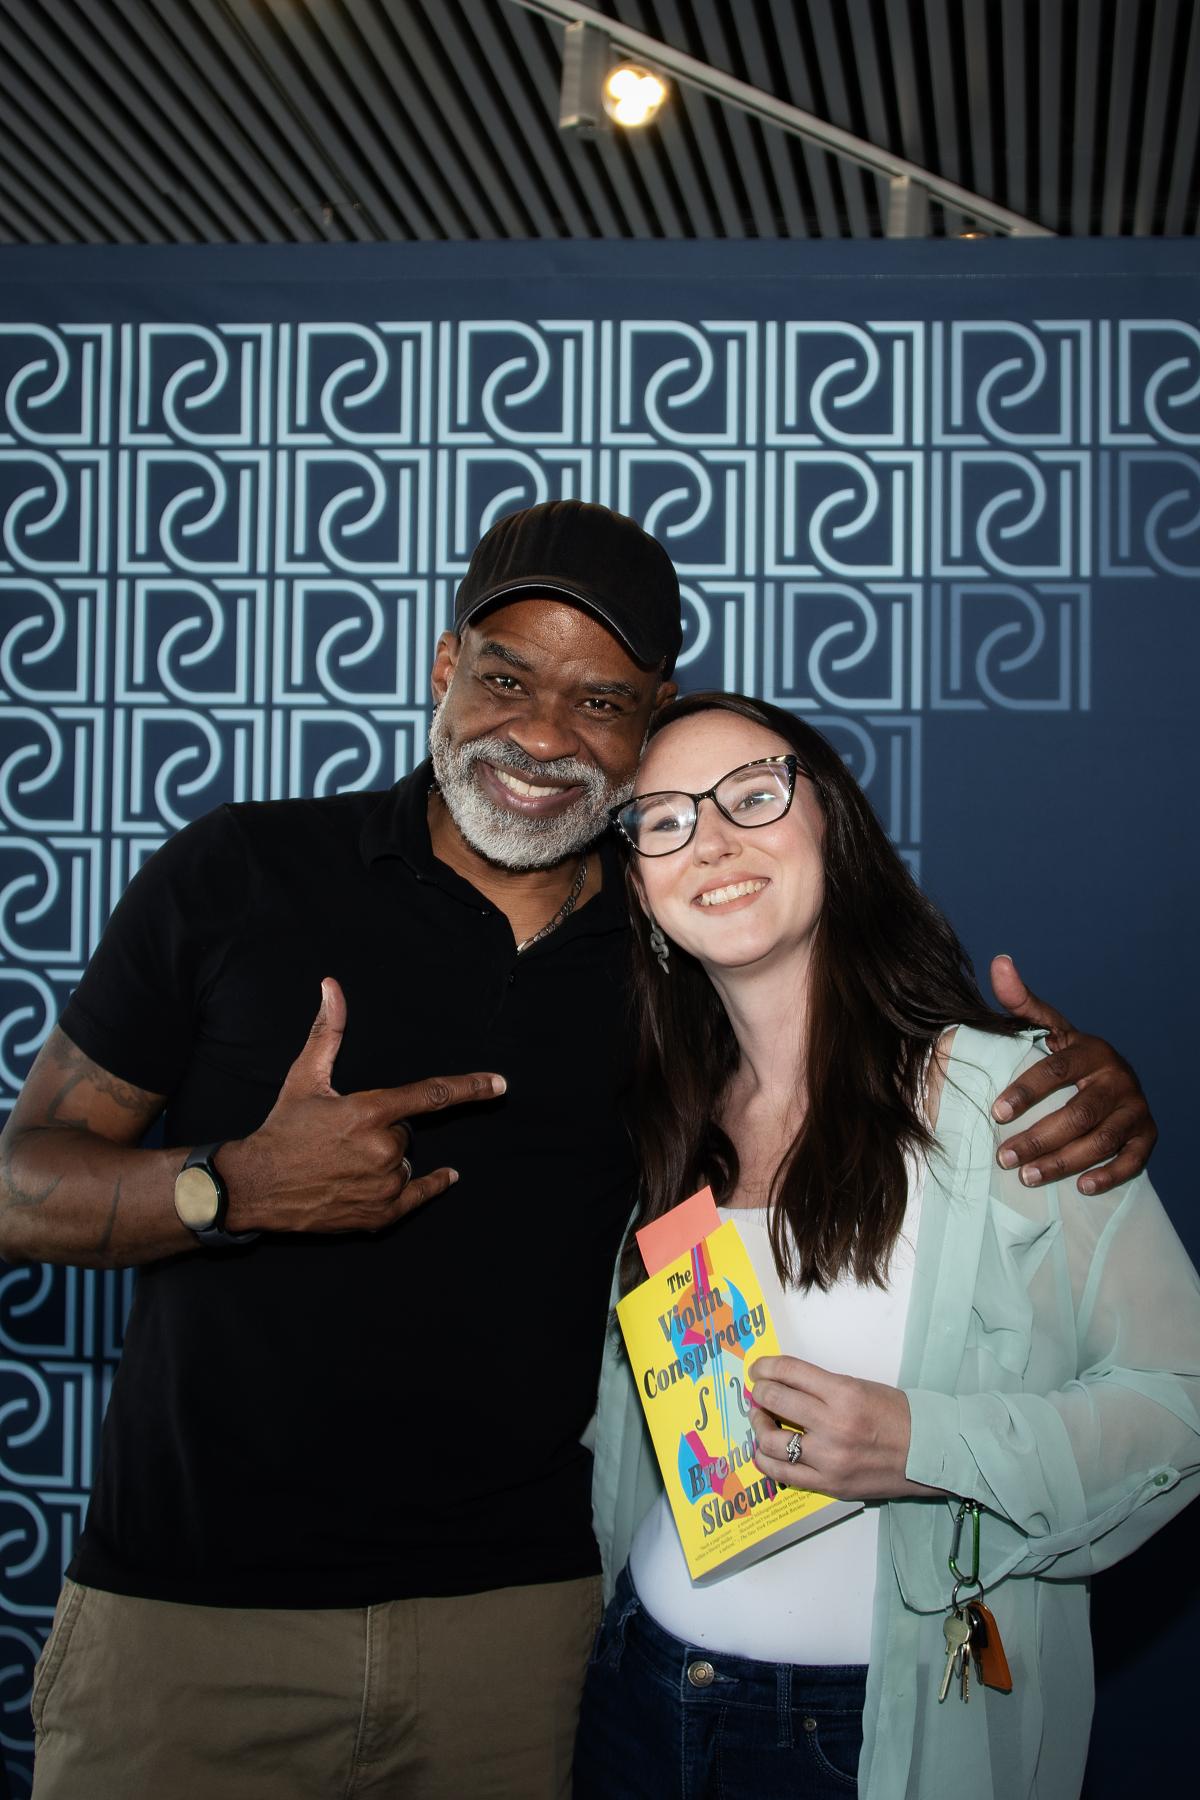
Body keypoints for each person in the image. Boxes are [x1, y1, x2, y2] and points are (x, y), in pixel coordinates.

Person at [0, 504, 1155, 1800]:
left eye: (600, 702)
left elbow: (861, 1063)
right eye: (506, 678)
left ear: (647, 720)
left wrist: (1081, 1089)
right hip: (192, 1621)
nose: (544, 737)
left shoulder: (675, 963)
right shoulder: (240, 873)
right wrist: (228, 1186)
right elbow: (18, 1183)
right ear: (445, 670)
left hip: (525, 1637)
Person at [577, 690, 1200, 1800]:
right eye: (663, 818)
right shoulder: (671, 1121)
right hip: (642, 1695)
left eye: (752, 796)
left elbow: (1181, 1401)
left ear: (836, 826)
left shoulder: (1003, 1093)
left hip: (861, 1731)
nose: (708, 839)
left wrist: (926, 1444)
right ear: (638, 881)